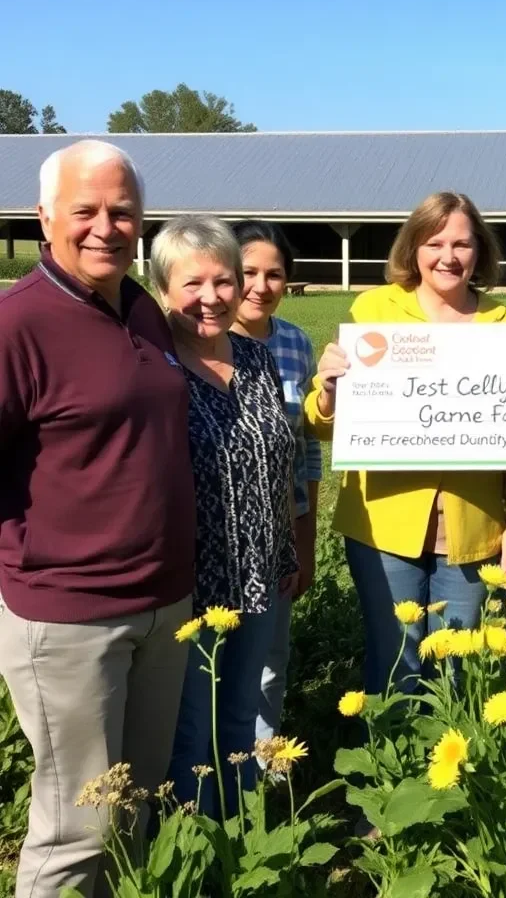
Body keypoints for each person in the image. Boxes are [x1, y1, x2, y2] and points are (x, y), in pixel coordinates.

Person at [0, 141, 196, 898]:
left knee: (134, 810)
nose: (105, 228)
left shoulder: (141, 308)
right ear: (46, 217)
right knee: (75, 830)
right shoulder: (20, 324)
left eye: (122, 211)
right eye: (85, 211)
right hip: (70, 616)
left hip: (163, 604)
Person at [305, 192, 506, 696]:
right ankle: (392, 771)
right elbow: (323, 427)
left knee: (458, 666)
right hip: (383, 523)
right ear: (413, 248)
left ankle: (450, 772)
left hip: (473, 526)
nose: (448, 257)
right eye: (435, 243)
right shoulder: (374, 309)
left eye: (461, 244)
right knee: (395, 660)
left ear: (480, 251)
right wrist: (328, 392)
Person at [153, 215, 298, 813]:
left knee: (240, 718)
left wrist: (287, 550)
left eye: (223, 281)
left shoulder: (259, 361)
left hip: (261, 573)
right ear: (161, 287)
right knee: (191, 730)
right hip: (190, 584)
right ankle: (193, 840)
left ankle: (237, 840)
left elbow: (282, 464)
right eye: (192, 284)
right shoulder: (153, 368)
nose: (210, 298)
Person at [230, 220, 322, 744]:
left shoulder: (295, 342)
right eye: (248, 273)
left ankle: (263, 768)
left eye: (274, 274)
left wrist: (303, 545)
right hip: (215, 531)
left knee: (271, 658)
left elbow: (306, 449)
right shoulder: (198, 339)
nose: (261, 286)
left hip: (279, 528)